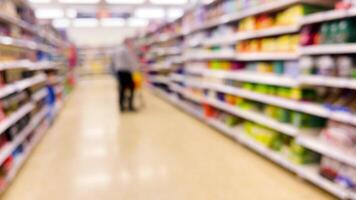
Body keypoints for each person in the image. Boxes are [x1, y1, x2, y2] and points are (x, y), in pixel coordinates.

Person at [112, 39, 139, 112]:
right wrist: (136, 68)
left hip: (119, 71)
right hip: (126, 71)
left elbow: (113, 60)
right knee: (131, 88)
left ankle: (121, 106)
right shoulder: (126, 50)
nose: (131, 44)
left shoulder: (117, 49)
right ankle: (130, 106)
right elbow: (130, 61)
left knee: (122, 88)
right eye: (131, 42)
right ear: (127, 42)